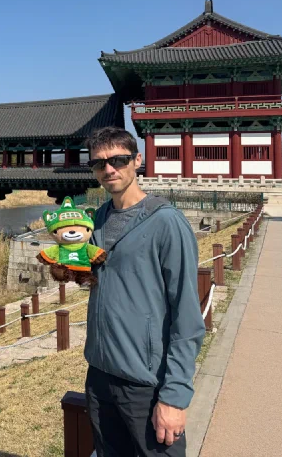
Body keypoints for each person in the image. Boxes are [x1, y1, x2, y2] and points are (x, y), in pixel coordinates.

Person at [83, 127, 205, 456]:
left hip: (145, 383)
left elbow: (187, 317)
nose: (109, 169)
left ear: (138, 160)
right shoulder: (98, 219)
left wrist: (174, 397)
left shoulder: (166, 223)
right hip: (100, 375)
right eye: (99, 164)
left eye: (119, 160)